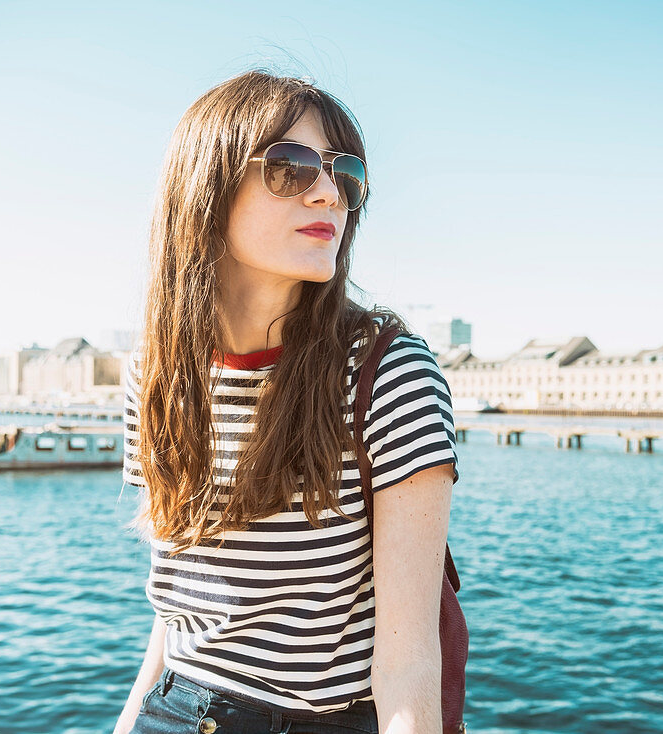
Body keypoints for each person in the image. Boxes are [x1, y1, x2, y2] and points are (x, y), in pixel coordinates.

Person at [114, 70, 459, 734]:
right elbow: (179, 618)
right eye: (292, 168)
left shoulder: (389, 372)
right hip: (174, 710)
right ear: (207, 187)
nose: (330, 194)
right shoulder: (156, 372)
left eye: (346, 174)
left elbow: (408, 663)